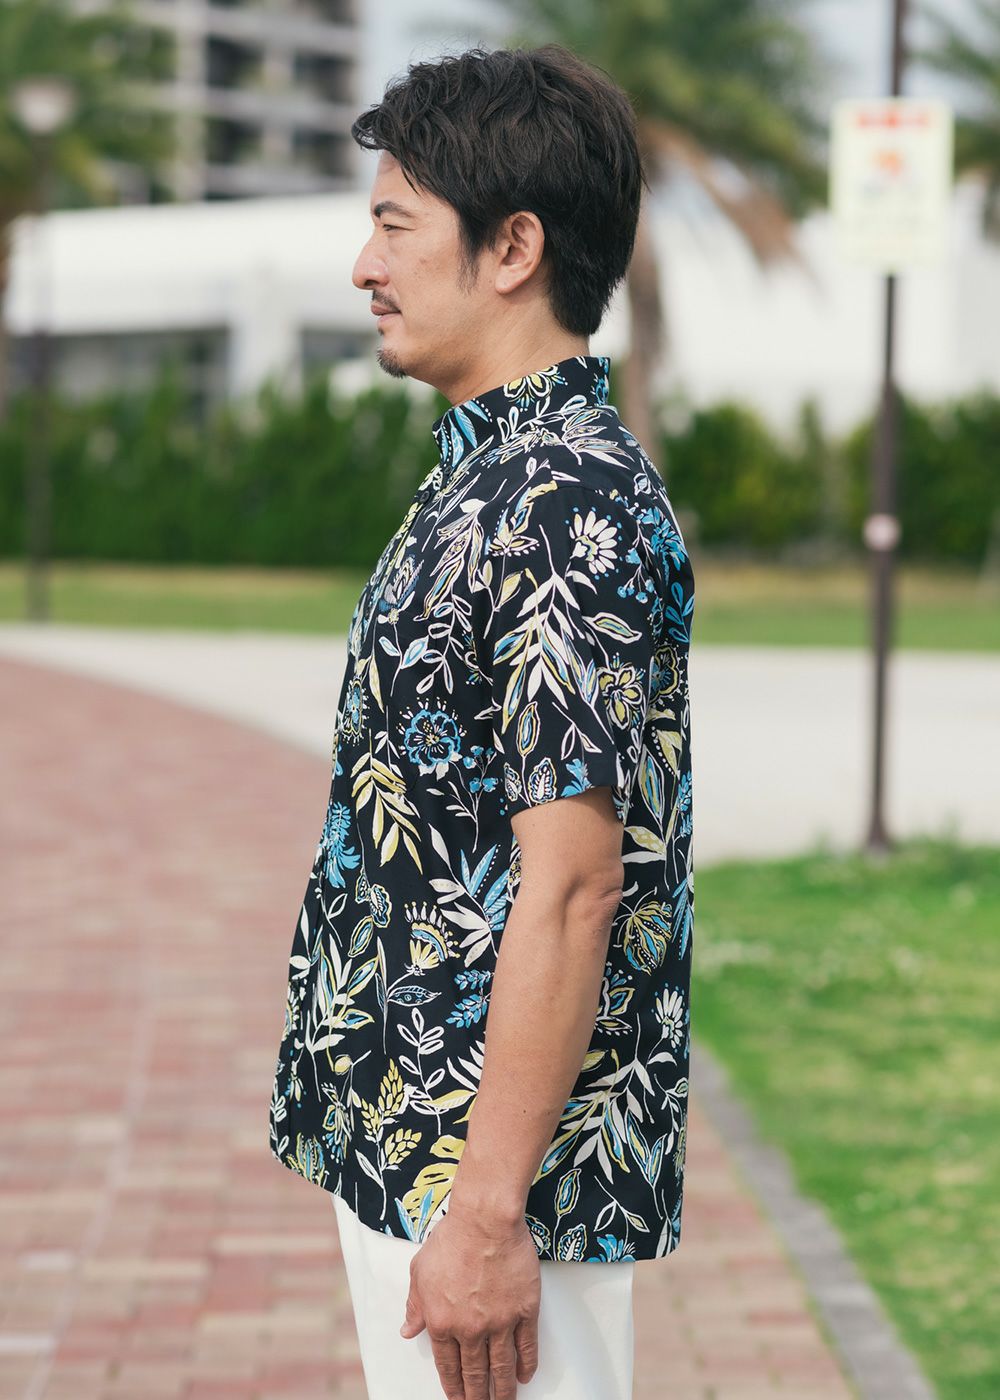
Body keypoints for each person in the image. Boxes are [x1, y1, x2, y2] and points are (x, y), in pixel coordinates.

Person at [268, 42, 696, 1400]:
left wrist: (490, 1214)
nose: (366, 265)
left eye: (396, 225)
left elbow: (573, 883)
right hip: (412, 1146)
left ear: (513, 247)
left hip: (489, 1186)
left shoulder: (566, 503)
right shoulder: (491, 475)